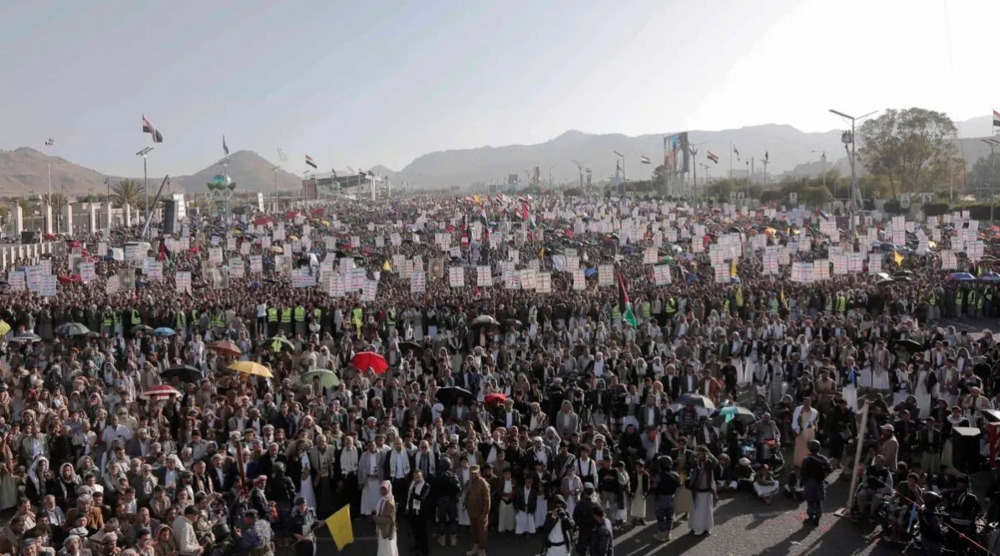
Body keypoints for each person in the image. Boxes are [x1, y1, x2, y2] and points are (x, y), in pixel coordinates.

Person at [800, 439, 832, 526]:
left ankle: (810, 517)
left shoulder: (806, 459)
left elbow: (802, 471)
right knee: (818, 502)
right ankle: (817, 518)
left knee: (810, 501)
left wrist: (802, 481)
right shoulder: (824, 459)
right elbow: (829, 469)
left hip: (809, 483)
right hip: (819, 482)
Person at [687, 446, 717, 537]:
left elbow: (716, 462)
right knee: (696, 510)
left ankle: (706, 528)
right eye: (699, 454)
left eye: (702, 453)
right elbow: (690, 460)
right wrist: (695, 451)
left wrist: (709, 453)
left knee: (706, 511)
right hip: (697, 490)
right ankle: (695, 527)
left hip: (706, 490)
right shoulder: (696, 463)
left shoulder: (709, 462)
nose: (700, 455)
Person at [650, 456, 680, 543]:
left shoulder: (659, 476)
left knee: (660, 517)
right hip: (671, 498)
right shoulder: (675, 474)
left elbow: (654, 487)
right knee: (669, 517)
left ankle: (661, 534)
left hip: (661, 499)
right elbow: (679, 484)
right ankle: (668, 534)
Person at [434, 459, 461, 547]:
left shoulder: (437, 476)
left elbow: (433, 489)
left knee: (441, 520)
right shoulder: (453, 475)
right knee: (453, 519)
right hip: (451, 500)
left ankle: (442, 540)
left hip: (441, 501)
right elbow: (458, 488)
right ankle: (453, 540)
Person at [464, 465, 490, 556]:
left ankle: (482, 551)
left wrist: (484, 514)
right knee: (474, 532)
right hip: (472, 512)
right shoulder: (470, 482)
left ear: (479, 472)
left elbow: (487, 501)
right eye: (472, 473)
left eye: (475, 473)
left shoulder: (483, 483)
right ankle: (475, 548)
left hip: (481, 513)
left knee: (481, 533)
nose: (473, 475)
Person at [405, 469, 431, 556]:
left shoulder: (426, 486)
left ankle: (424, 550)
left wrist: (413, 494)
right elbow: (408, 497)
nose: (416, 479)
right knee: (415, 531)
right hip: (413, 511)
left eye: (418, 477)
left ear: (422, 476)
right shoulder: (412, 484)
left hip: (422, 513)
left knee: (422, 532)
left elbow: (422, 498)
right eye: (415, 477)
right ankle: (417, 546)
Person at [572, 483, 598, 556]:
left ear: (584, 492)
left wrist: (578, 526)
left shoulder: (579, 504)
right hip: (593, 529)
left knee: (582, 549)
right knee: (593, 549)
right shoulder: (595, 504)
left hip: (583, 530)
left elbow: (575, 517)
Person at [918, 491, 946, 556]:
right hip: (933, 540)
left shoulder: (921, 510)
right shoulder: (933, 518)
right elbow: (938, 532)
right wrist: (943, 532)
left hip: (924, 536)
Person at [374, 480, 398, 556]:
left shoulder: (389, 502)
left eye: (384, 489)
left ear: (389, 489)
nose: (382, 491)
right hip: (383, 529)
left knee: (388, 549)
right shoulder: (383, 500)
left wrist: (376, 519)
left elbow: (389, 519)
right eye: (381, 489)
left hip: (387, 531)